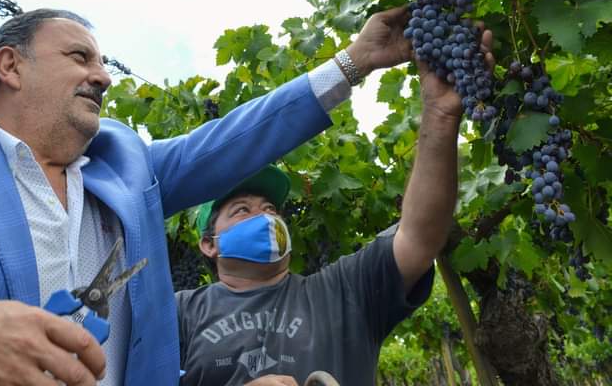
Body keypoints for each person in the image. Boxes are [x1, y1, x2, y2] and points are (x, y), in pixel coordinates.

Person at [0, 5, 416, 386]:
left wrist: (353, 62)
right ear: (12, 67)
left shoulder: (126, 170)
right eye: (80, 57)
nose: (101, 76)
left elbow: (236, 139)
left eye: (102, 64)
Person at [176, 31, 495, 385]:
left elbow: (420, 235)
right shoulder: (178, 314)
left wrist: (439, 115)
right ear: (209, 243)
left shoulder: (344, 292)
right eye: (242, 210)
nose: (265, 217)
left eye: (270, 207)